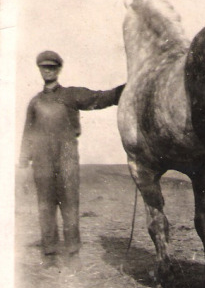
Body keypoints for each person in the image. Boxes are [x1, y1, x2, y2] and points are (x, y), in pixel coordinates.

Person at [18, 50, 125, 270]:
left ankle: (73, 253)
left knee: (69, 205)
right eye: (44, 67)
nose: (48, 71)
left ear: (58, 69)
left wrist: (122, 91)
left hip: (67, 155)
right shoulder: (35, 102)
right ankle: (49, 254)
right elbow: (28, 132)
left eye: (52, 67)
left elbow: (98, 98)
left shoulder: (71, 95)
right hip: (42, 160)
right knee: (45, 206)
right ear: (39, 70)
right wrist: (23, 159)